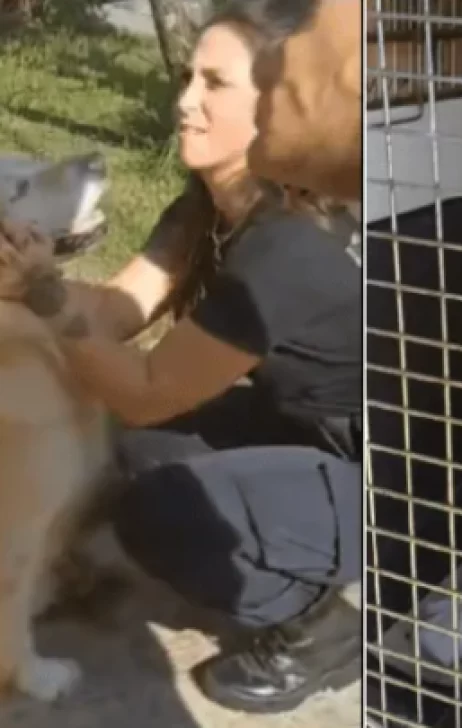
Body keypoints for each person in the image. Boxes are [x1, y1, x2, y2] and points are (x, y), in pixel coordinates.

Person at [0, 0, 362, 715]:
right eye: (189, 77)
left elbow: (145, 388)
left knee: (166, 514)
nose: (185, 101)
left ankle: (321, 628)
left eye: (215, 85)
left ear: (278, 105)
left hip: (395, 481)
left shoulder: (291, 245)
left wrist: (43, 297)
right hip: (297, 422)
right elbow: (120, 309)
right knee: (135, 449)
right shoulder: (212, 201)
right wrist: (25, 284)